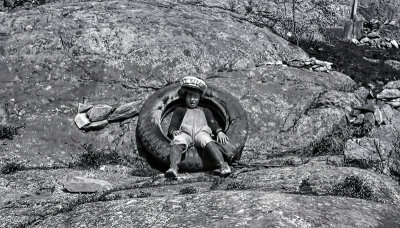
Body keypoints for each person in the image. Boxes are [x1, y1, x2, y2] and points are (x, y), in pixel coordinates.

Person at [166, 76, 231, 179]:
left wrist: (219, 132)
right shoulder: (180, 110)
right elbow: (173, 125)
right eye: (189, 96)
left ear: (200, 97)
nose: (192, 99)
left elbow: (213, 123)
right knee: (178, 140)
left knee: (207, 140)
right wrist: (173, 132)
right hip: (185, 133)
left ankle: (223, 165)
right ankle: (173, 168)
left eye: (195, 96)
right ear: (185, 97)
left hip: (201, 133)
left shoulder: (205, 110)